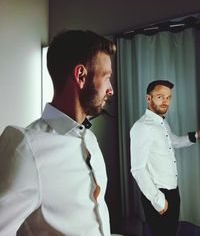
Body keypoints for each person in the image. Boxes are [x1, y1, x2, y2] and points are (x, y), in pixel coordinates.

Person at [0, 30, 116, 236]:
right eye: (107, 77)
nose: (111, 89)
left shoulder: (90, 139)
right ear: (81, 75)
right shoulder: (27, 148)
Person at [130, 80, 200, 236]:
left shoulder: (162, 123)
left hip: (173, 192)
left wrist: (196, 135)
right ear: (148, 98)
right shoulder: (141, 127)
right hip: (158, 195)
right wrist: (158, 200)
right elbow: (138, 169)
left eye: (168, 97)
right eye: (160, 97)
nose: (165, 102)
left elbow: (173, 141)